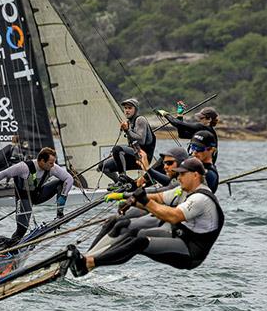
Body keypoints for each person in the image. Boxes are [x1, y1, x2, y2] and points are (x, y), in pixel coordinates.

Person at [69, 157, 224, 275]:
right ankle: (87, 260)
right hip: (178, 236)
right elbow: (158, 197)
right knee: (134, 233)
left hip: (190, 252)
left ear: (196, 175)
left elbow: (174, 216)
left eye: (183, 174)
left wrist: (143, 200)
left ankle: (89, 263)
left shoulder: (201, 199)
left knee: (140, 242)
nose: (179, 178)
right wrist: (130, 200)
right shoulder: (184, 190)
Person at [88, 146, 189, 250]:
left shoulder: (183, 181)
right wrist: (132, 189)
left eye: (169, 163)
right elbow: (158, 184)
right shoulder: (173, 177)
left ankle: (91, 258)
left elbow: (157, 192)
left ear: (181, 163)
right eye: (164, 163)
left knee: (122, 225)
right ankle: (88, 255)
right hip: (155, 208)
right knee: (112, 221)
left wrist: (122, 196)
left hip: (165, 219)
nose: (165, 167)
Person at [0, 147, 73, 240]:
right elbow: (4, 174)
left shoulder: (53, 168)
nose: (53, 165)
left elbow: (69, 178)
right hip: (23, 198)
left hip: (38, 195)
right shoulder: (23, 167)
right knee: (22, 229)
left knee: (61, 183)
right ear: (42, 161)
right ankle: (12, 246)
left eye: (53, 163)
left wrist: (63, 196)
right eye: (50, 163)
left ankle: (59, 214)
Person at [100, 98, 156, 185]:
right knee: (103, 166)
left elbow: (141, 141)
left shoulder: (140, 120)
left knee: (117, 149)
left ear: (135, 109)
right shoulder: (129, 122)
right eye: (125, 108)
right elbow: (132, 144)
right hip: (134, 157)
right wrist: (114, 156)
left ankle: (123, 179)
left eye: (130, 108)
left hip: (144, 158)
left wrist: (127, 131)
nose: (127, 110)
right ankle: (121, 183)